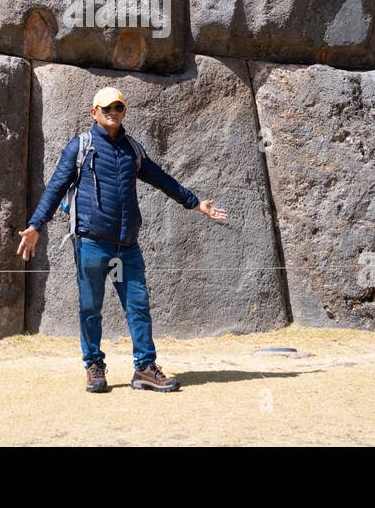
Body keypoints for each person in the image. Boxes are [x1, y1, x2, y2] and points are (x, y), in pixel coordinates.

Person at [16, 87, 228, 393]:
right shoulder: (81, 147)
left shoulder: (133, 150)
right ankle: (94, 366)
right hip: (90, 241)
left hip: (126, 245)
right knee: (90, 308)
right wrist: (36, 225)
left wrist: (195, 203)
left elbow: (162, 179)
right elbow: (55, 187)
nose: (113, 113)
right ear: (94, 112)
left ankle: (145, 369)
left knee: (138, 305)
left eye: (118, 108)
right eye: (107, 109)